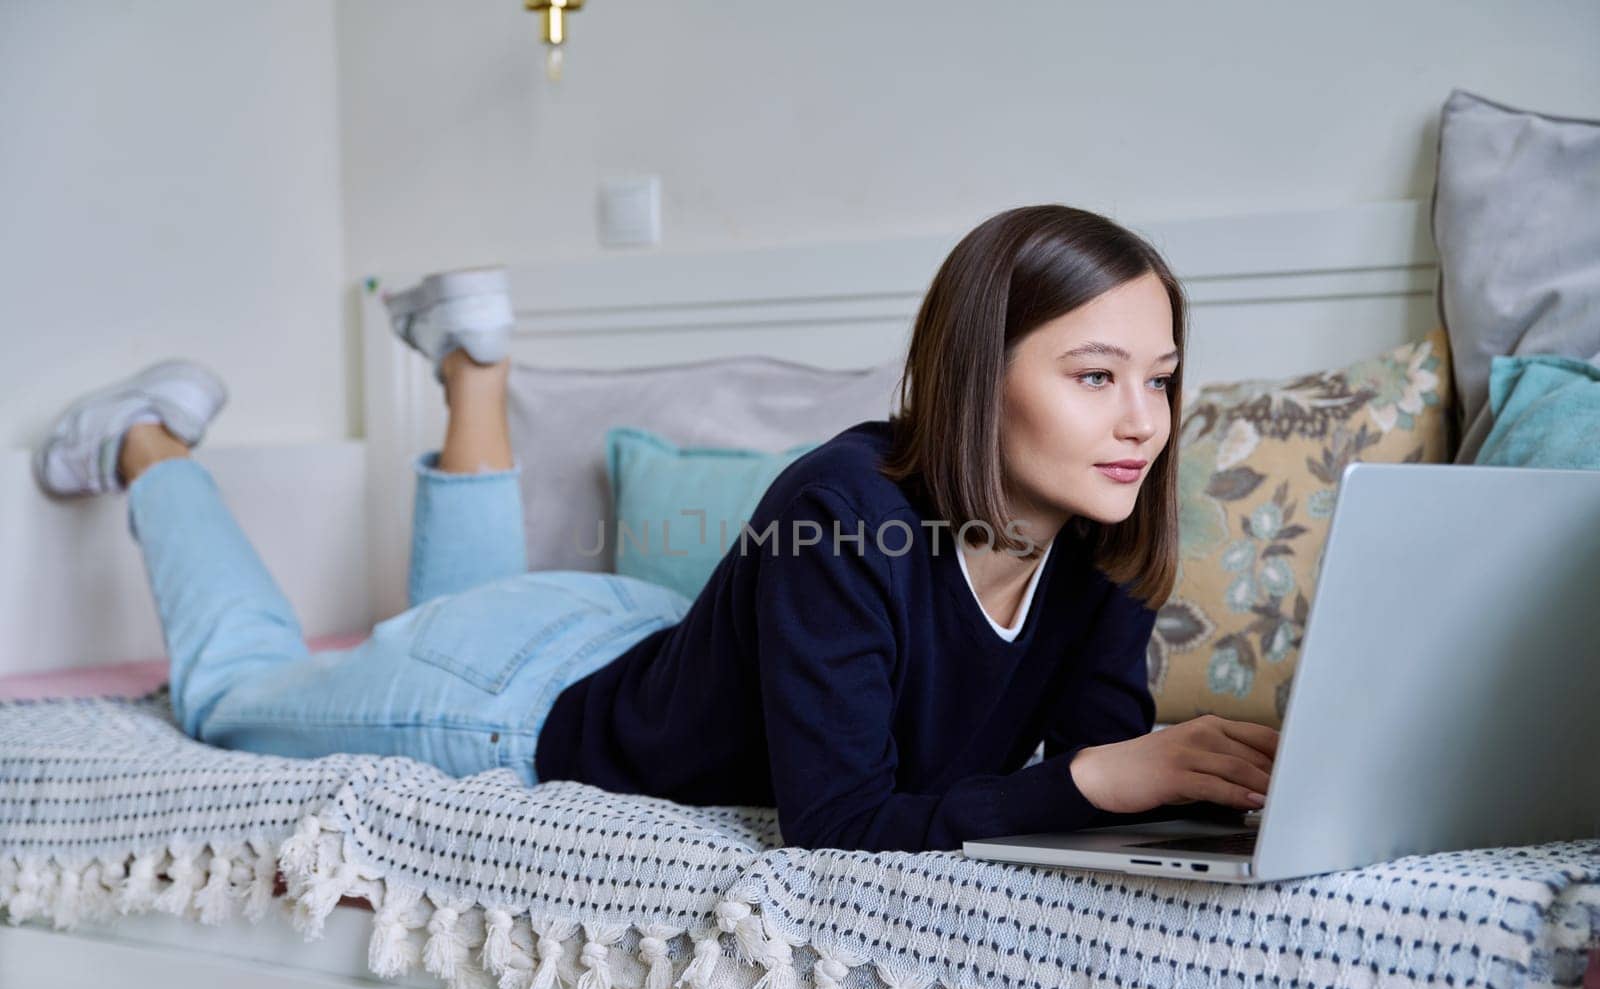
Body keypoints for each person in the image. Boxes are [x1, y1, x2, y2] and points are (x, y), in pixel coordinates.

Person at [33, 205, 1277, 853]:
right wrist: (1107, 775)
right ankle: (153, 446)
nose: (1143, 423)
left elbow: (1095, 764)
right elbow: (841, 823)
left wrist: (1202, 787)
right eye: (1095, 375)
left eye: (1160, 378)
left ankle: (474, 367)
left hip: (630, 632)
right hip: (508, 706)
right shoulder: (842, 511)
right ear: (974, 374)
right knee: (234, 692)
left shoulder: (1100, 529)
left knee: (447, 608)